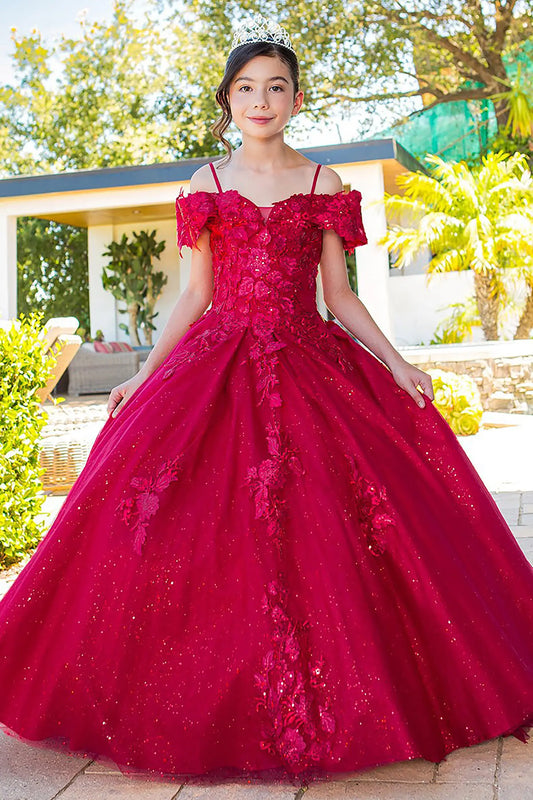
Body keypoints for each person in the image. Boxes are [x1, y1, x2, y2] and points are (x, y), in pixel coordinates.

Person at [0, 13, 532, 789]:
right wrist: (145, 373)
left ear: (296, 98)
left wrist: (395, 361)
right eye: (246, 88)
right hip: (218, 363)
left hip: (311, 360)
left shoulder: (325, 184)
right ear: (227, 101)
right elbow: (193, 297)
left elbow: (339, 297)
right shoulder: (204, 185)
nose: (260, 100)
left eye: (275, 87)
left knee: (344, 522)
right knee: (180, 523)